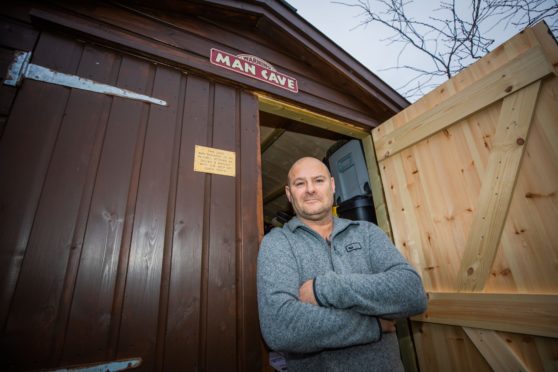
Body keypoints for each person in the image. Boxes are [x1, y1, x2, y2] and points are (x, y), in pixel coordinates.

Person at [257, 157, 427, 371]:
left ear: (333, 185)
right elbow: (280, 326)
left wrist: (324, 289)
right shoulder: (277, 242)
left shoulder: (366, 232)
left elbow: (412, 292)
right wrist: (373, 325)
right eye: (300, 183)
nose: (310, 189)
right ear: (289, 194)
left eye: (318, 180)